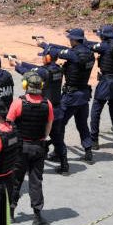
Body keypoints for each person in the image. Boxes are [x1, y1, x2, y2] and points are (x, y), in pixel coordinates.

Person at [39, 28, 95, 171]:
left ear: (75, 40)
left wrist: (46, 47)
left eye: (71, 39)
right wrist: (44, 44)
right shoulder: (89, 53)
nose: (69, 41)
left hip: (71, 96)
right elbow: (65, 49)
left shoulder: (75, 55)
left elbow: (59, 52)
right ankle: (88, 150)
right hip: (84, 95)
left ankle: (58, 152)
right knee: (82, 123)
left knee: (59, 124)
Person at [6, 72, 53, 225]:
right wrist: (41, 138)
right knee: (36, 182)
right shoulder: (47, 104)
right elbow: (48, 127)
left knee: (15, 180)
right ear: (41, 87)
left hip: (20, 148)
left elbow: (9, 124)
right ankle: (37, 216)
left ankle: (11, 212)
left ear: (26, 86)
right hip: (39, 147)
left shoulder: (18, 103)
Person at [8, 45, 63, 165]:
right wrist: (21, 62)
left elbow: (30, 74)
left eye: (44, 56)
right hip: (57, 108)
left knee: (35, 135)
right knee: (57, 138)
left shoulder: (44, 72)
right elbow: (37, 68)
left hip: (45, 108)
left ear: (48, 58)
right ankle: (64, 164)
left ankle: (31, 160)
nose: (42, 58)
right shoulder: (58, 69)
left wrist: (16, 66)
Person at [86, 25, 113, 154]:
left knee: (95, 112)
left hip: (106, 82)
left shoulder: (104, 45)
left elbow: (89, 45)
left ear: (105, 36)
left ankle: (94, 141)